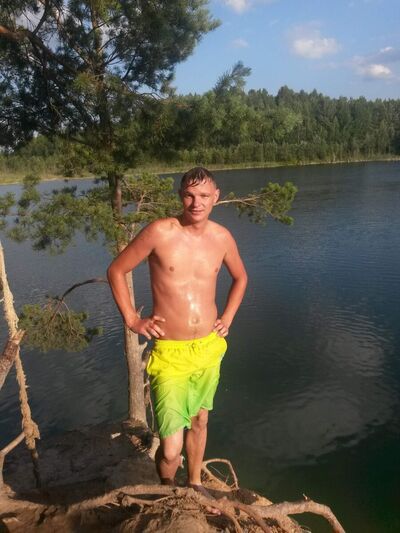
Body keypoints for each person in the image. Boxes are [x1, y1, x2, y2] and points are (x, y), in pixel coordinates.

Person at [107, 167, 247, 499]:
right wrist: (133, 320)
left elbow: (240, 278)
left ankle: (195, 483)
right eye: (189, 195)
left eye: (204, 196)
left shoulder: (222, 237)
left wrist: (227, 317)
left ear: (216, 197)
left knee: (200, 422)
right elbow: (116, 270)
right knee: (171, 448)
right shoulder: (160, 232)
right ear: (180, 196)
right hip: (170, 353)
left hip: (208, 348)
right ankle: (167, 491)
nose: (196, 203)